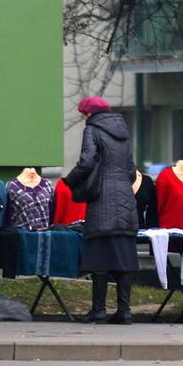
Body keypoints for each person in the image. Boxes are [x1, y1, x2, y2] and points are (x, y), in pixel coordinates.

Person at [65, 96, 139, 324]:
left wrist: (71, 180)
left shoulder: (93, 129)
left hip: (102, 201)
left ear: (89, 114)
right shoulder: (123, 132)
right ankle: (124, 311)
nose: (82, 117)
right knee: (124, 257)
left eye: (83, 114)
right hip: (125, 200)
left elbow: (87, 161)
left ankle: (98, 310)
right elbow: (130, 169)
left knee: (99, 257)